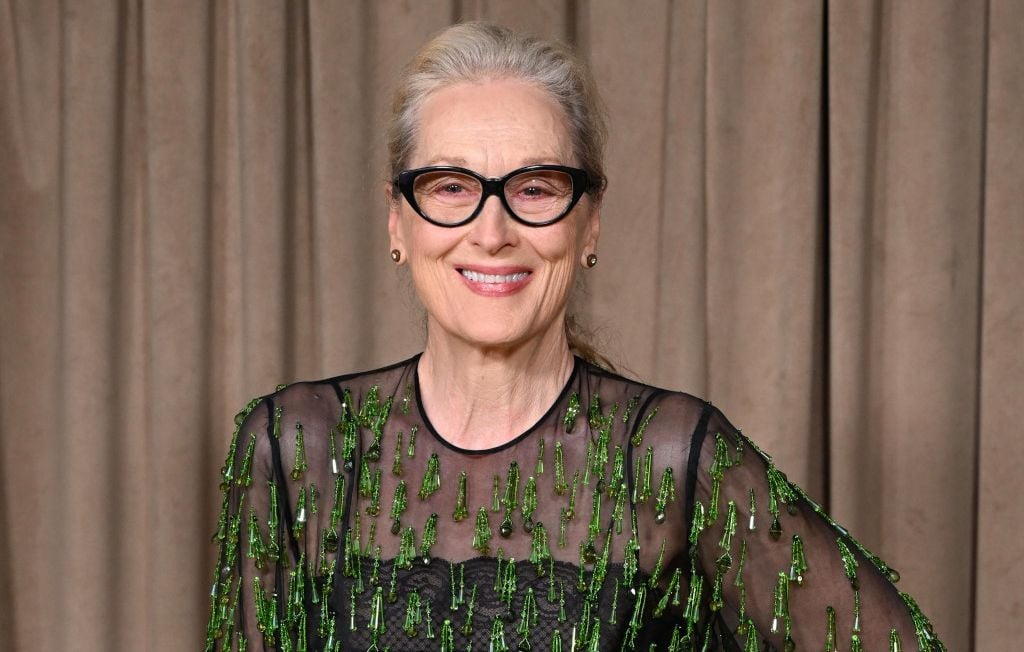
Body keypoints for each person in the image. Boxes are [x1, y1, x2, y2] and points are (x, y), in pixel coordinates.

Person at [205, 22, 945, 652]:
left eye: (535, 188)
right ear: (398, 220)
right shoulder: (297, 447)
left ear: (588, 224)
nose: (492, 231)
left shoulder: (670, 457)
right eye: (451, 187)